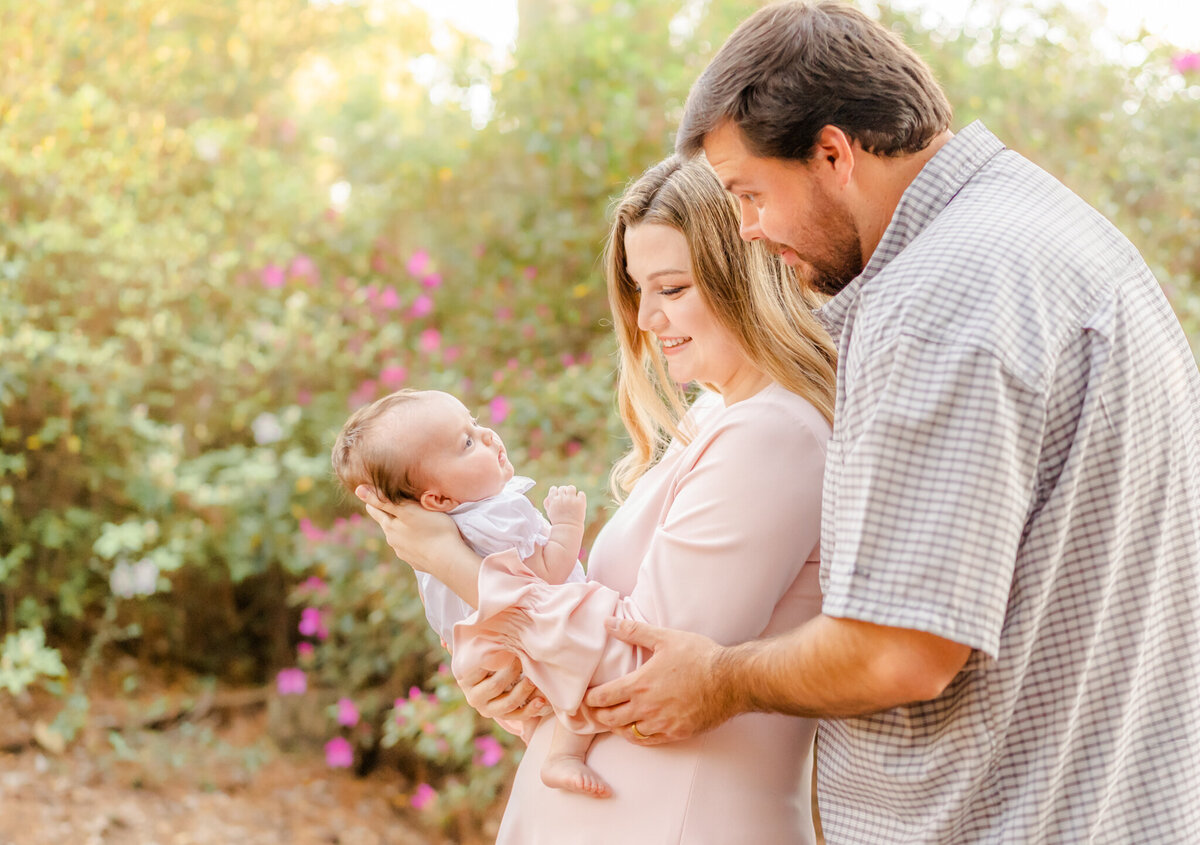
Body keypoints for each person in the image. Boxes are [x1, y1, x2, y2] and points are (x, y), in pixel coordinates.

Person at [577, 2, 1200, 842]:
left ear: (834, 152)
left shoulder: (938, 297)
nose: (752, 231)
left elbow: (899, 649)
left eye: (751, 194)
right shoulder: (1057, 236)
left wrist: (721, 679)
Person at [356, 156, 839, 843]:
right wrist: (511, 684)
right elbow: (584, 662)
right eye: (639, 289)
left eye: (671, 287)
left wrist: (458, 566)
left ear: (746, 272)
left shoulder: (773, 435)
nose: (647, 317)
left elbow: (643, 677)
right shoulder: (709, 417)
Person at [330, 388, 612, 798]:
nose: (488, 436)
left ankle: (541, 744)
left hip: (484, 656)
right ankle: (562, 755)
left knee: (543, 705)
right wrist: (568, 525)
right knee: (580, 675)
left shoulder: (439, 536)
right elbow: (546, 581)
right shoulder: (494, 519)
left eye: (475, 424)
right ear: (438, 498)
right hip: (522, 643)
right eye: (466, 443)